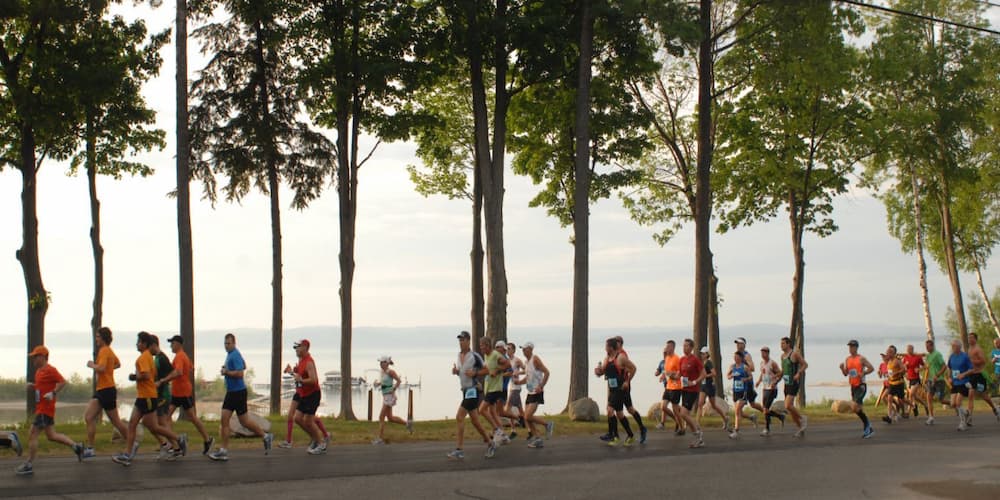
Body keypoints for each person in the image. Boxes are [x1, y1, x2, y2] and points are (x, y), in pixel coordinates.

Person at [112, 332, 185, 466]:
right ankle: (128, 453)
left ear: (145, 344)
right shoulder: (147, 357)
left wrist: (135, 377)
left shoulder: (144, 358)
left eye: (139, 342)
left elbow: (145, 375)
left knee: (153, 426)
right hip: (143, 396)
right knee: (133, 424)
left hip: (148, 396)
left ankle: (177, 439)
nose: (137, 344)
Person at [14, 346, 84, 475]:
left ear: (42, 356)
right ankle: (76, 446)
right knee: (52, 435)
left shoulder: (51, 370)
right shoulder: (38, 371)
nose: (33, 359)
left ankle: (29, 464)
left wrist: (53, 393)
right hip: (41, 408)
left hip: (45, 409)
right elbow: (41, 387)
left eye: (35, 356)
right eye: (33, 357)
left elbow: (62, 382)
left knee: (32, 434)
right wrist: (33, 386)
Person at [208, 333, 273, 461]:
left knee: (226, 420)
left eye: (229, 343)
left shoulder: (235, 354)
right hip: (236, 392)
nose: (226, 346)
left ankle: (224, 450)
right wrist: (227, 369)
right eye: (225, 343)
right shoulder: (232, 354)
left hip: (236, 393)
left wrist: (226, 372)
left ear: (234, 343)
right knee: (243, 421)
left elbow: (240, 373)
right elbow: (243, 365)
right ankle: (265, 436)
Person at [160, 335, 214, 455]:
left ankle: (206, 439)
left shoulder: (180, 356)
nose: (171, 346)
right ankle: (175, 443)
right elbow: (190, 368)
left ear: (178, 344)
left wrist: (165, 379)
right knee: (167, 417)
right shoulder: (183, 356)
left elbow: (179, 372)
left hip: (183, 392)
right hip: (178, 392)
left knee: (191, 417)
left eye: (172, 343)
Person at [82, 327, 129, 459]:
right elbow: (118, 364)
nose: (96, 339)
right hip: (101, 390)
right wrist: (109, 369)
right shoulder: (108, 351)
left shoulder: (104, 351)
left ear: (103, 338)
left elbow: (101, 368)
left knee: (116, 422)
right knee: (89, 417)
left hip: (107, 390)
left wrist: (92, 365)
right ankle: (90, 449)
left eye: (98, 337)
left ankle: (132, 444)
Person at [448, 331, 494, 460]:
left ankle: (459, 450)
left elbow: (487, 370)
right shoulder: (459, 355)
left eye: (463, 340)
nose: (460, 342)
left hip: (473, 390)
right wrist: (456, 372)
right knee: (475, 421)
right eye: (459, 340)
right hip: (465, 391)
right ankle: (490, 443)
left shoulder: (475, 356)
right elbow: (463, 373)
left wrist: (475, 373)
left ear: (468, 341)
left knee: (459, 416)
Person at [282, 340, 326, 454]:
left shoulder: (309, 362)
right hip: (304, 394)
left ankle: (321, 443)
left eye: (298, 347)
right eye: (295, 347)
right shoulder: (301, 361)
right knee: (297, 418)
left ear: (305, 347)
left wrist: (301, 379)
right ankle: (316, 439)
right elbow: (299, 377)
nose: (296, 349)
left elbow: (314, 380)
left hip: (313, 394)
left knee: (308, 421)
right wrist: (291, 372)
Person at [595, 337, 637, 446]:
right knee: (619, 414)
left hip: (620, 389)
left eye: (606, 346)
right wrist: (598, 372)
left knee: (610, 410)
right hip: (612, 389)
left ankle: (615, 437)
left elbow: (633, 368)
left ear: (611, 347)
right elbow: (602, 372)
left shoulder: (621, 357)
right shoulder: (607, 359)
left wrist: (627, 381)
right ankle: (630, 435)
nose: (605, 348)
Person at [516, 342, 554, 448]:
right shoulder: (526, 362)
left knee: (528, 415)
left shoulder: (535, 359)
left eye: (525, 349)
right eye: (522, 349)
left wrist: (541, 386)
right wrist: (519, 382)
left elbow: (547, 372)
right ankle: (538, 439)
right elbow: (527, 378)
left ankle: (547, 424)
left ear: (530, 349)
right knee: (526, 418)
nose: (523, 351)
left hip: (537, 392)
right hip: (530, 392)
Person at [149, 335, 182, 457]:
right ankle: (172, 445)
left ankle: (175, 445)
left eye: (149, 347)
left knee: (160, 423)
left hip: (163, 395)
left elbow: (175, 372)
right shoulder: (156, 358)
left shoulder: (162, 358)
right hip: (157, 394)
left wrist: (162, 381)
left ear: (153, 345)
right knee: (159, 423)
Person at [613, 336, 649, 443]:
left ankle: (642, 428)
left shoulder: (623, 354)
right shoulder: (614, 354)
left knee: (629, 409)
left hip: (624, 386)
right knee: (620, 411)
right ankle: (628, 433)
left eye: (616, 343)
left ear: (620, 344)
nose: (615, 344)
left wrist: (627, 381)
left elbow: (631, 368)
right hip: (616, 387)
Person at [372, 354, 413, 445]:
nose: (380, 364)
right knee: (390, 418)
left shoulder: (391, 372)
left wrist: (393, 389)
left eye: (382, 362)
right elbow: (384, 383)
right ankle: (407, 424)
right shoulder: (382, 372)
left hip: (389, 397)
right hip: (385, 396)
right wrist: (377, 384)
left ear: (386, 363)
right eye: (380, 362)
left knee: (381, 417)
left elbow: (399, 381)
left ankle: (380, 439)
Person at [478, 338, 511, 446]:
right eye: (480, 345)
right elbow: (487, 370)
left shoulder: (495, 355)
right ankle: (504, 436)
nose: (481, 347)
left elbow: (508, 365)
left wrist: (497, 371)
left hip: (495, 388)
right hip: (489, 388)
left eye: (482, 345)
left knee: (481, 409)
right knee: (492, 412)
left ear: (488, 345)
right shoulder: (486, 356)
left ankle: (497, 430)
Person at [839, 339, 875, 439]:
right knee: (858, 409)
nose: (850, 348)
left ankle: (868, 428)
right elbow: (846, 374)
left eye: (852, 346)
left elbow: (871, 368)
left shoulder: (861, 358)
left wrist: (864, 373)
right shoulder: (847, 359)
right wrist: (842, 368)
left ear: (856, 347)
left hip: (861, 385)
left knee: (855, 407)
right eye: (849, 347)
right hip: (853, 386)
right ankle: (868, 427)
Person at [964, 332, 1000, 424]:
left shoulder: (978, 349)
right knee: (971, 394)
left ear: (975, 339)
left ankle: (995, 408)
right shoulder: (969, 349)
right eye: (969, 338)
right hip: (972, 375)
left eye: (972, 338)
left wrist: (972, 361)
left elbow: (983, 361)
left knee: (984, 396)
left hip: (979, 375)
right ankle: (970, 417)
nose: (970, 339)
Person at [727, 351, 763, 439]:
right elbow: (727, 376)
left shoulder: (745, 367)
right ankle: (752, 417)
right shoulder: (732, 366)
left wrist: (745, 379)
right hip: (736, 390)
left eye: (737, 357)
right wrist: (731, 375)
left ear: (740, 358)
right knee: (739, 412)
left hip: (743, 391)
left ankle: (736, 430)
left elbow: (751, 376)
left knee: (737, 410)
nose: (735, 358)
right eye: (734, 357)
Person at [677, 339, 705, 448]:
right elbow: (679, 375)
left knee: (683, 414)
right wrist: (670, 375)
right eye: (683, 346)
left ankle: (698, 435)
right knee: (685, 414)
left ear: (692, 348)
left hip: (693, 390)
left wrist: (693, 382)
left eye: (687, 346)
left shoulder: (695, 360)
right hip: (684, 390)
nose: (684, 348)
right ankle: (697, 431)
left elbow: (703, 374)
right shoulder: (682, 359)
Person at [779, 337, 808, 437]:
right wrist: (776, 380)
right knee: (790, 409)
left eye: (783, 343)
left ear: (788, 344)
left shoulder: (794, 354)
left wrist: (799, 373)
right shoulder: (782, 356)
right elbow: (783, 371)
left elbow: (805, 364)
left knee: (787, 405)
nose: (781, 345)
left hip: (794, 383)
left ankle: (802, 418)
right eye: (781, 343)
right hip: (786, 384)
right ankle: (800, 428)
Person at [697, 347, 728, 430]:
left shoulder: (709, 363)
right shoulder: (702, 362)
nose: (701, 355)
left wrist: (705, 376)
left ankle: (725, 419)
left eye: (703, 353)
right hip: (703, 386)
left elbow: (714, 373)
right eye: (701, 353)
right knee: (700, 404)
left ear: (707, 354)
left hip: (710, 386)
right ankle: (697, 424)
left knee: (713, 406)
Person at [757, 346, 785, 436]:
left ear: (768, 353)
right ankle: (780, 416)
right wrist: (758, 381)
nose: (762, 354)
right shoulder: (762, 363)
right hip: (765, 388)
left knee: (765, 409)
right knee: (765, 409)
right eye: (761, 353)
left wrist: (775, 381)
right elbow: (762, 373)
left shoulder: (772, 363)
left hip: (772, 389)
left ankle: (767, 429)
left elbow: (780, 373)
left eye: (764, 352)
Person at [947, 339, 973, 431]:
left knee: (958, 403)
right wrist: (949, 378)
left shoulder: (965, 356)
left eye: (954, 346)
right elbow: (949, 368)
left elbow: (971, 369)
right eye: (952, 346)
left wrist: (963, 374)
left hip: (964, 382)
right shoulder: (951, 357)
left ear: (959, 347)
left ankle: (962, 423)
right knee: (953, 404)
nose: (952, 348)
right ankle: (966, 412)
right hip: (955, 383)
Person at [661, 340, 685, 437]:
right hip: (668, 386)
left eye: (668, 347)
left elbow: (680, 374)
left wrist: (672, 375)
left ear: (673, 348)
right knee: (663, 407)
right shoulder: (667, 358)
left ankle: (682, 428)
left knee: (675, 409)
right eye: (666, 347)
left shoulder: (677, 359)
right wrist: (663, 376)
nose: (666, 348)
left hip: (676, 387)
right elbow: (666, 371)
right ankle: (677, 420)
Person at [923, 339, 948, 425]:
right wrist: (926, 378)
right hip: (931, 380)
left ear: (932, 346)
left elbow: (944, 366)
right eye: (926, 347)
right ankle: (931, 417)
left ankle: (955, 405)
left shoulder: (937, 354)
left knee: (941, 400)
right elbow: (928, 368)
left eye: (928, 346)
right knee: (929, 397)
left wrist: (937, 375)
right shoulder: (928, 356)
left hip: (939, 380)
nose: (927, 348)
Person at [654, 346, 678, 431]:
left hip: (674, 387)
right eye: (663, 352)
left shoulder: (674, 360)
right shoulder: (662, 362)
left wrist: (668, 374)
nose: (664, 354)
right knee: (663, 406)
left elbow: (678, 372)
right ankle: (665, 422)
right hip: (667, 387)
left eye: (665, 352)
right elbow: (659, 371)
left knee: (675, 407)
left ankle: (678, 422)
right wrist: (657, 373)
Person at [504, 342, 527, 431]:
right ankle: (529, 431)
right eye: (506, 349)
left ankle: (517, 423)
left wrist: (518, 372)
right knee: (521, 410)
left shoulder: (517, 360)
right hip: (510, 387)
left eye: (509, 349)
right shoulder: (506, 361)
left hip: (516, 388)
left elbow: (526, 370)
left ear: (513, 350)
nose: (507, 351)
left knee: (506, 410)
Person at [901, 344, 928, 419]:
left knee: (911, 394)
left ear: (912, 349)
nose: (908, 351)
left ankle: (909, 411)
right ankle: (925, 405)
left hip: (916, 379)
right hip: (909, 379)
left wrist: (919, 369)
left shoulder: (917, 357)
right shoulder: (905, 358)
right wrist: (905, 371)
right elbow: (903, 368)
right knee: (915, 396)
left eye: (910, 349)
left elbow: (925, 366)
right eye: (907, 349)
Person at [882, 345, 907, 424]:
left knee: (901, 400)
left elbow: (904, 369)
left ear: (893, 353)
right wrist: (887, 375)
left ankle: (902, 412)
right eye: (887, 352)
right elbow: (890, 372)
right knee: (889, 398)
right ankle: (889, 416)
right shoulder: (889, 362)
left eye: (890, 352)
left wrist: (896, 373)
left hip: (899, 383)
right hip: (892, 383)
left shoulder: (897, 361)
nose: (888, 354)